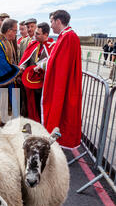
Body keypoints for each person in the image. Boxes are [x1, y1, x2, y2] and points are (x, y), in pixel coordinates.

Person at [41, 9, 82, 148]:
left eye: (52, 21)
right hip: (62, 82)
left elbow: (60, 65)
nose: (51, 25)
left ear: (58, 21)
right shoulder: (66, 36)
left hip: (62, 84)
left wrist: (44, 66)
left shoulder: (68, 37)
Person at [18, 22, 56, 122]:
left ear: (46, 34)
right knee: (29, 105)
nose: (35, 35)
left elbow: (54, 65)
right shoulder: (33, 45)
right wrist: (22, 67)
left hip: (43, 85)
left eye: (38, 34)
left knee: (41, 107)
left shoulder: (53, 47)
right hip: (30, 83)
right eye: (36, 33)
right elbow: (25, 59)